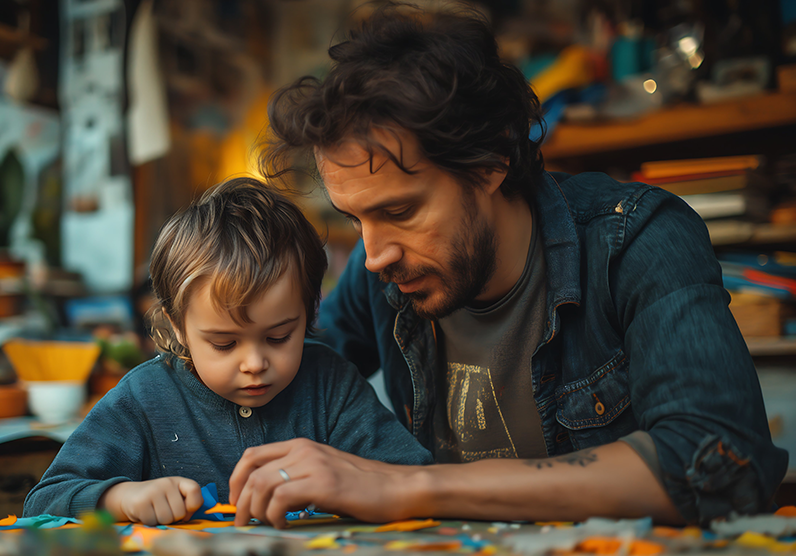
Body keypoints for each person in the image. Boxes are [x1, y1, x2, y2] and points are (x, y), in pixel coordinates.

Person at [226, 2, 790, 528]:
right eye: (355, 219)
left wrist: (411, 488)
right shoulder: (385, 274)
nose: (374, 255)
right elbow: (268, 384)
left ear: (492, 161)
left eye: (399, 210)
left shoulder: (637, 241)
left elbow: (720, 460)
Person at [23, 178, 432, 526]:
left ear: (307, 312)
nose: (255, 364)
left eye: (278, 337)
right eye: (224, 343)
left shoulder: (330, 385)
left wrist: (349, 486)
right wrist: (120, 499)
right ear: (179, 326)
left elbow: (414, 479)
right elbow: (44, 500)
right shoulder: (143, 398)